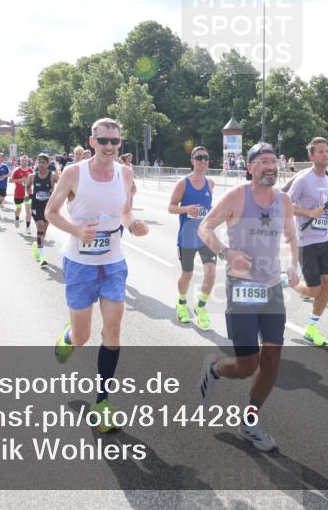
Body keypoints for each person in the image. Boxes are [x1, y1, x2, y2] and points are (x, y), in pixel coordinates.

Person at [46, 118, 148, 432]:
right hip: (79, 264)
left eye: (115, 142)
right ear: (92, 141)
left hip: (113, 262)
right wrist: (76, 230)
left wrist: (133, 224)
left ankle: (101, 402)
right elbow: (51, 212)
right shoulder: (74, 172)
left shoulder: (126, 173)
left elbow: (125, 210)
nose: (109, 147)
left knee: (114, 331)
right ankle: (69, 337)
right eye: (103, 141)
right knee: (82, 336)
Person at [196, 142, 299, 452]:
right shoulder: (237, 197)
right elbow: (205, 228)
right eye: (263, 161)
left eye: (274, 161)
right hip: (241, 289)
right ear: (251, 167)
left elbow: (292, 236)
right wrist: (227, 253)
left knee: (271, 361)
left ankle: (249, 422)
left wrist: (295, 264)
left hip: (271, 290)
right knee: (246, 366)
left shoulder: (284, 200)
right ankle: (215, 370)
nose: (270, 166)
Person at [285, 137, 328, 346]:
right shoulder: (303, 179)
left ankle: (311, 327)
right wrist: (308, 212)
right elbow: (285, 206)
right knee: (314, 290)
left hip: (325, 239)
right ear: (311, 156)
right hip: (306, 241)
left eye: (327, 151)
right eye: (320, 151)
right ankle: (290, 283)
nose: (326, 155)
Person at [167, 146, 216, 330]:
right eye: (199, 157)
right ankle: (181, 302)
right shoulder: (183, 183)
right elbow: (170, 207)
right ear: (192, 161)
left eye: (206, 157)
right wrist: (186, 209)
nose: (203, 160)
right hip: (187, 238)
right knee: (187, 274)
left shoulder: (211, 184)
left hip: (206, 237)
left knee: (211, 273)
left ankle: (201, 307)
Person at [30, 154, 59, 265]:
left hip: (48, 206)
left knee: (44, 231)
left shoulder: (53, 177)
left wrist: (54, 190)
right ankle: (42, 256)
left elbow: (62, 188)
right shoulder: (32, 176)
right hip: (36, 205)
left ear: (48, 163)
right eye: (39, 162)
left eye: (43, 162)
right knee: (40, 228)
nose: (41, 164)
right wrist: (28, 194)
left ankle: (38, 246)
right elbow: (28, 186)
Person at [11, 155, 33, 227]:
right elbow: (10, 180)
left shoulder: (31, 170)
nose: (24, 162)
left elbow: (33, 181)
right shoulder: (16, 170)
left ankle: (27, 228)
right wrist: (20, 180)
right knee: (18, 209)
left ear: (28, 162)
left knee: (28, 211)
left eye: (26, 160)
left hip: (28, 193)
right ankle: (17, 219)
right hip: (18, 193)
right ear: (20, 162)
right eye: (22, 160)